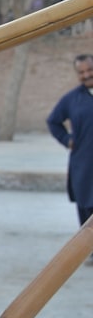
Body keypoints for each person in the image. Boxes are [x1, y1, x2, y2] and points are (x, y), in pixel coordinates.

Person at [46, 54, 93, 257]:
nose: (87, 75)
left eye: (90, 70)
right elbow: (53, 121)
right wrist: (67, 140)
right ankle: (89, 250)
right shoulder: (71, 99)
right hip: (83, 163)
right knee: (86, 205)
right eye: (81, 72)